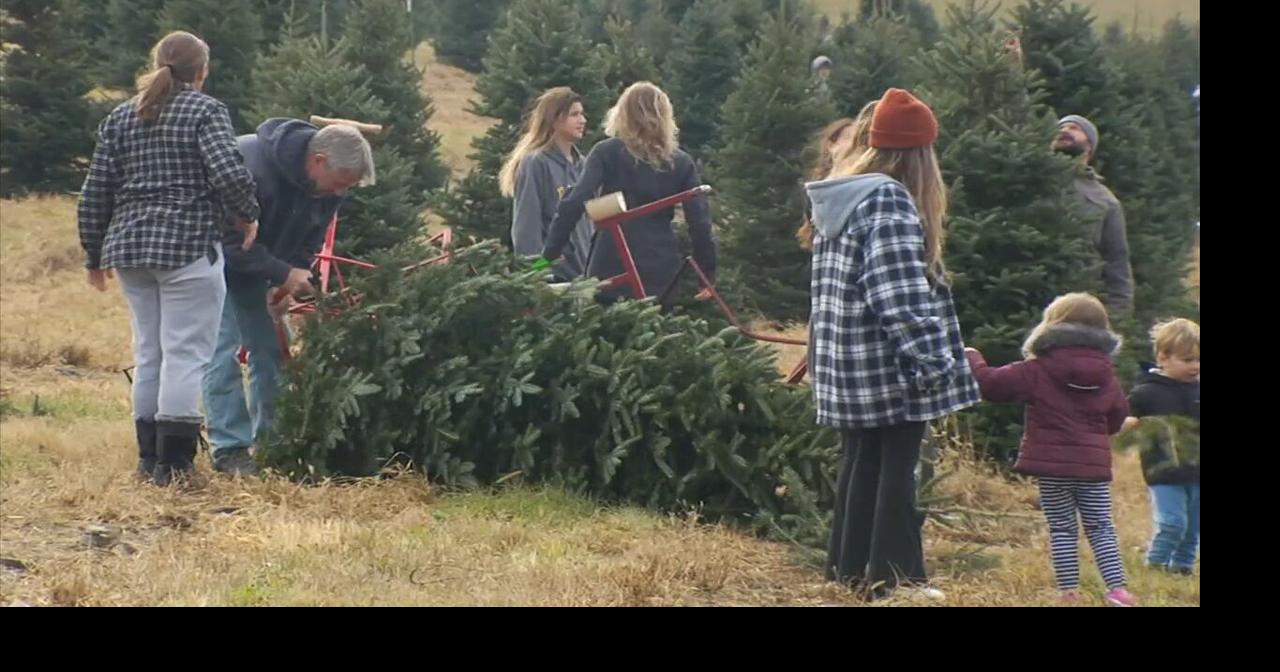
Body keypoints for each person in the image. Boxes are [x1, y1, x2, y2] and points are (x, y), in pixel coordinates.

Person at [806, 88, 979, 601]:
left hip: (848, 365)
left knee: (862, 462)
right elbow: (899, 298)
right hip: (887, 367)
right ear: (919, 154)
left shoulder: (845, 193)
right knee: (898, 471)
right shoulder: (889, 200)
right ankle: (896, 579)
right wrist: (934, 362)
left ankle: (850, 570)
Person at [78, 31, 260, 486]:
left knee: (150, 352)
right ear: (202, 72)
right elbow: (227, 170)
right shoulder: (205, 111)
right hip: (186, 247)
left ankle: (147, 461)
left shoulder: (121, 115)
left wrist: (92, 253)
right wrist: (248, 214)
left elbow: (95, 189)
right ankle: (175, 468)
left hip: (130, 249)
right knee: (185, 354)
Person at [201, 119, 375, 476]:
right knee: (223, 351)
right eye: (341, 183)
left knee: (272, 351)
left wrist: (285, 283)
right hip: (210, 263)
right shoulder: (251, 167)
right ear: (319, 161)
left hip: (257, 270)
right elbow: (231, 244)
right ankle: (230, 449)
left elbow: (312, 236)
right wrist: (282, 273)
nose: (342, 193)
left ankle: (273, 446)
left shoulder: (329, 189)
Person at [966, 292, 1137, 606]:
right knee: (1101, 526)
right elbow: (1117, 415)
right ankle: (1117, 590)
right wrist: (1099, 434)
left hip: (1052, 467)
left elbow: (990, 385)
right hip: (1092, 467)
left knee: (1062, 528)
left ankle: (1068, 593)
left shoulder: (1037, 369)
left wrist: (972, 357)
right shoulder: (1107, 374)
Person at [541, 82, 716, 302]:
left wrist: (548, 256)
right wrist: (707, 276)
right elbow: (700, 224)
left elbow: (574, 202)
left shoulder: (606, 152)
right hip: (660, 266)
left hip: (611, 261)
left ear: (622, 114)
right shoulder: (681, 162)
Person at [1125, 318, 1200, 576]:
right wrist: (1129, 423)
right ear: (1163, 357)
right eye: (1188, 360)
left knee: (1193, 527)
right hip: (1164, 472)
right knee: (1172, 523)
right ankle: (1155, 567)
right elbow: (1122, 418)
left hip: (1197, 471)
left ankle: (1182, 568)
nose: (1195, 367)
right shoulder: (1146, 392)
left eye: (1199, 360)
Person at [500, 87, 593, 281]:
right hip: (553, 278)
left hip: (584, 275)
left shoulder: (584, 165)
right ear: (554, 118)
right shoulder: (536, 163)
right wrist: (535, 273)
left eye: (582, 114)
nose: (583, 120)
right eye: (574, 114)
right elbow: (526, 225)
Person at [1053, 115, 1135, 314]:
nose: (1064, 130)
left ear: (1089, 146)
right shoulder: (1030, 178)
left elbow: (1116, 261)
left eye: (1074, 128)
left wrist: (1118, 315)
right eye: (1060, 128)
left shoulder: (1105, 200)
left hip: (1074, 305)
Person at [796, 101, 876, 252]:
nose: (856, 144)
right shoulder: (817, 190)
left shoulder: (868, 186)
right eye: (849, 138)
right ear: (831, 145)